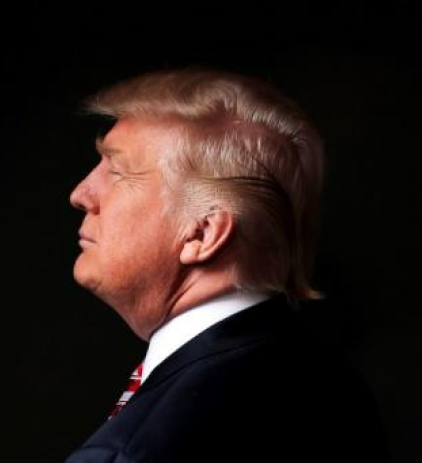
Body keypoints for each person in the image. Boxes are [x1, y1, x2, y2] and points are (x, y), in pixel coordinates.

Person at [65, 68, 388, 462]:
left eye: (117, 171)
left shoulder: (136, 449)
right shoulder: (335, 385)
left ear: (202, 233)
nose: (81, 194)